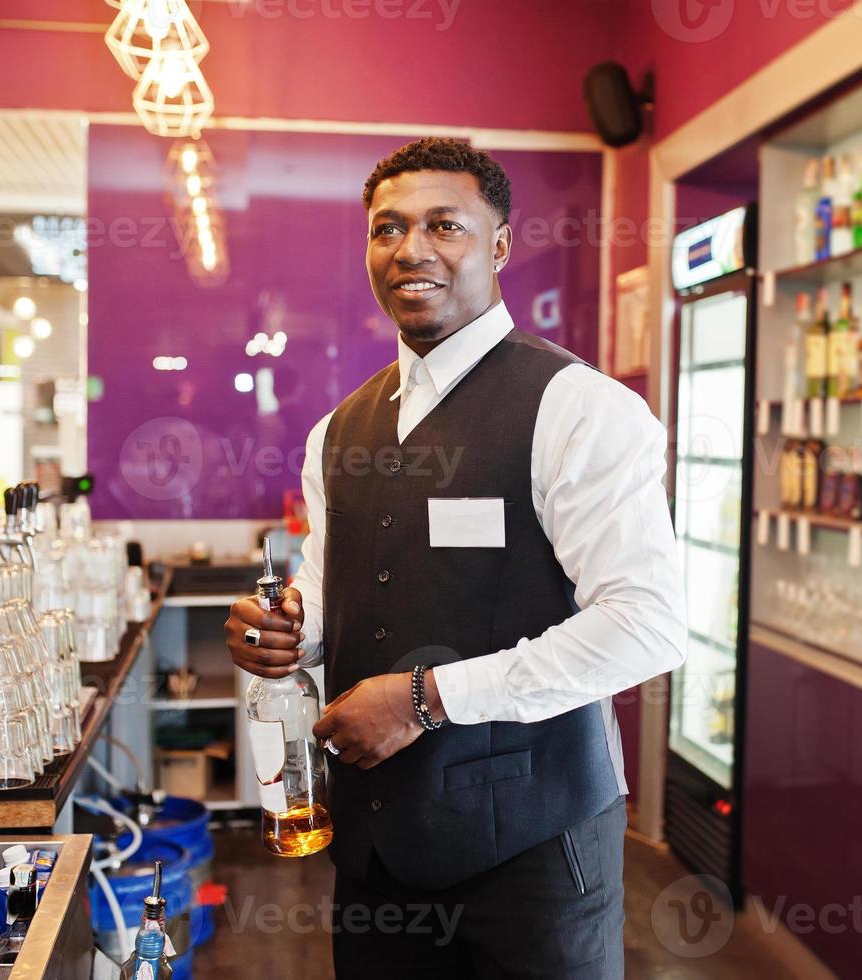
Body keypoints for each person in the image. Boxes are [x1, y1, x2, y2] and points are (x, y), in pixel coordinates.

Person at [225, 137, 685, 978]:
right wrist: (291, 626)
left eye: (446, 225)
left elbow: (646, 625)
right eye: (387, 229)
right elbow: (334, 586)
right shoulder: (339, 431)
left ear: (500, 245)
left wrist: (421, 699)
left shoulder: (578, 409)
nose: (411, 250)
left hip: (532, 852)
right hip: (375, 852)